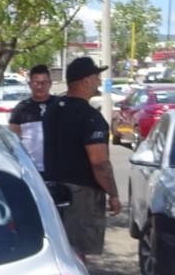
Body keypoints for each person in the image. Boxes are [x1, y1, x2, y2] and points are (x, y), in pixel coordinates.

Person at [43, 57, 123, 257]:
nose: (98, 81)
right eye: (96, 76)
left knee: (58, 253)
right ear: (85, 81)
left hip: (52, 191)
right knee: (78, 254)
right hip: (81, 195)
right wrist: (113, 195)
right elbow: (99, 163)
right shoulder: (91, 118)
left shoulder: (52, 110)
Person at [8, 64, 55, 172]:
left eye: (44, 83)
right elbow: (14, 141)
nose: (40, 86)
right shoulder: (21, 109)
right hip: (32, 170)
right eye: (36, 83)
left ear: (50, 84)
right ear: (30, 84)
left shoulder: (60, 105)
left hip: (58, 170)